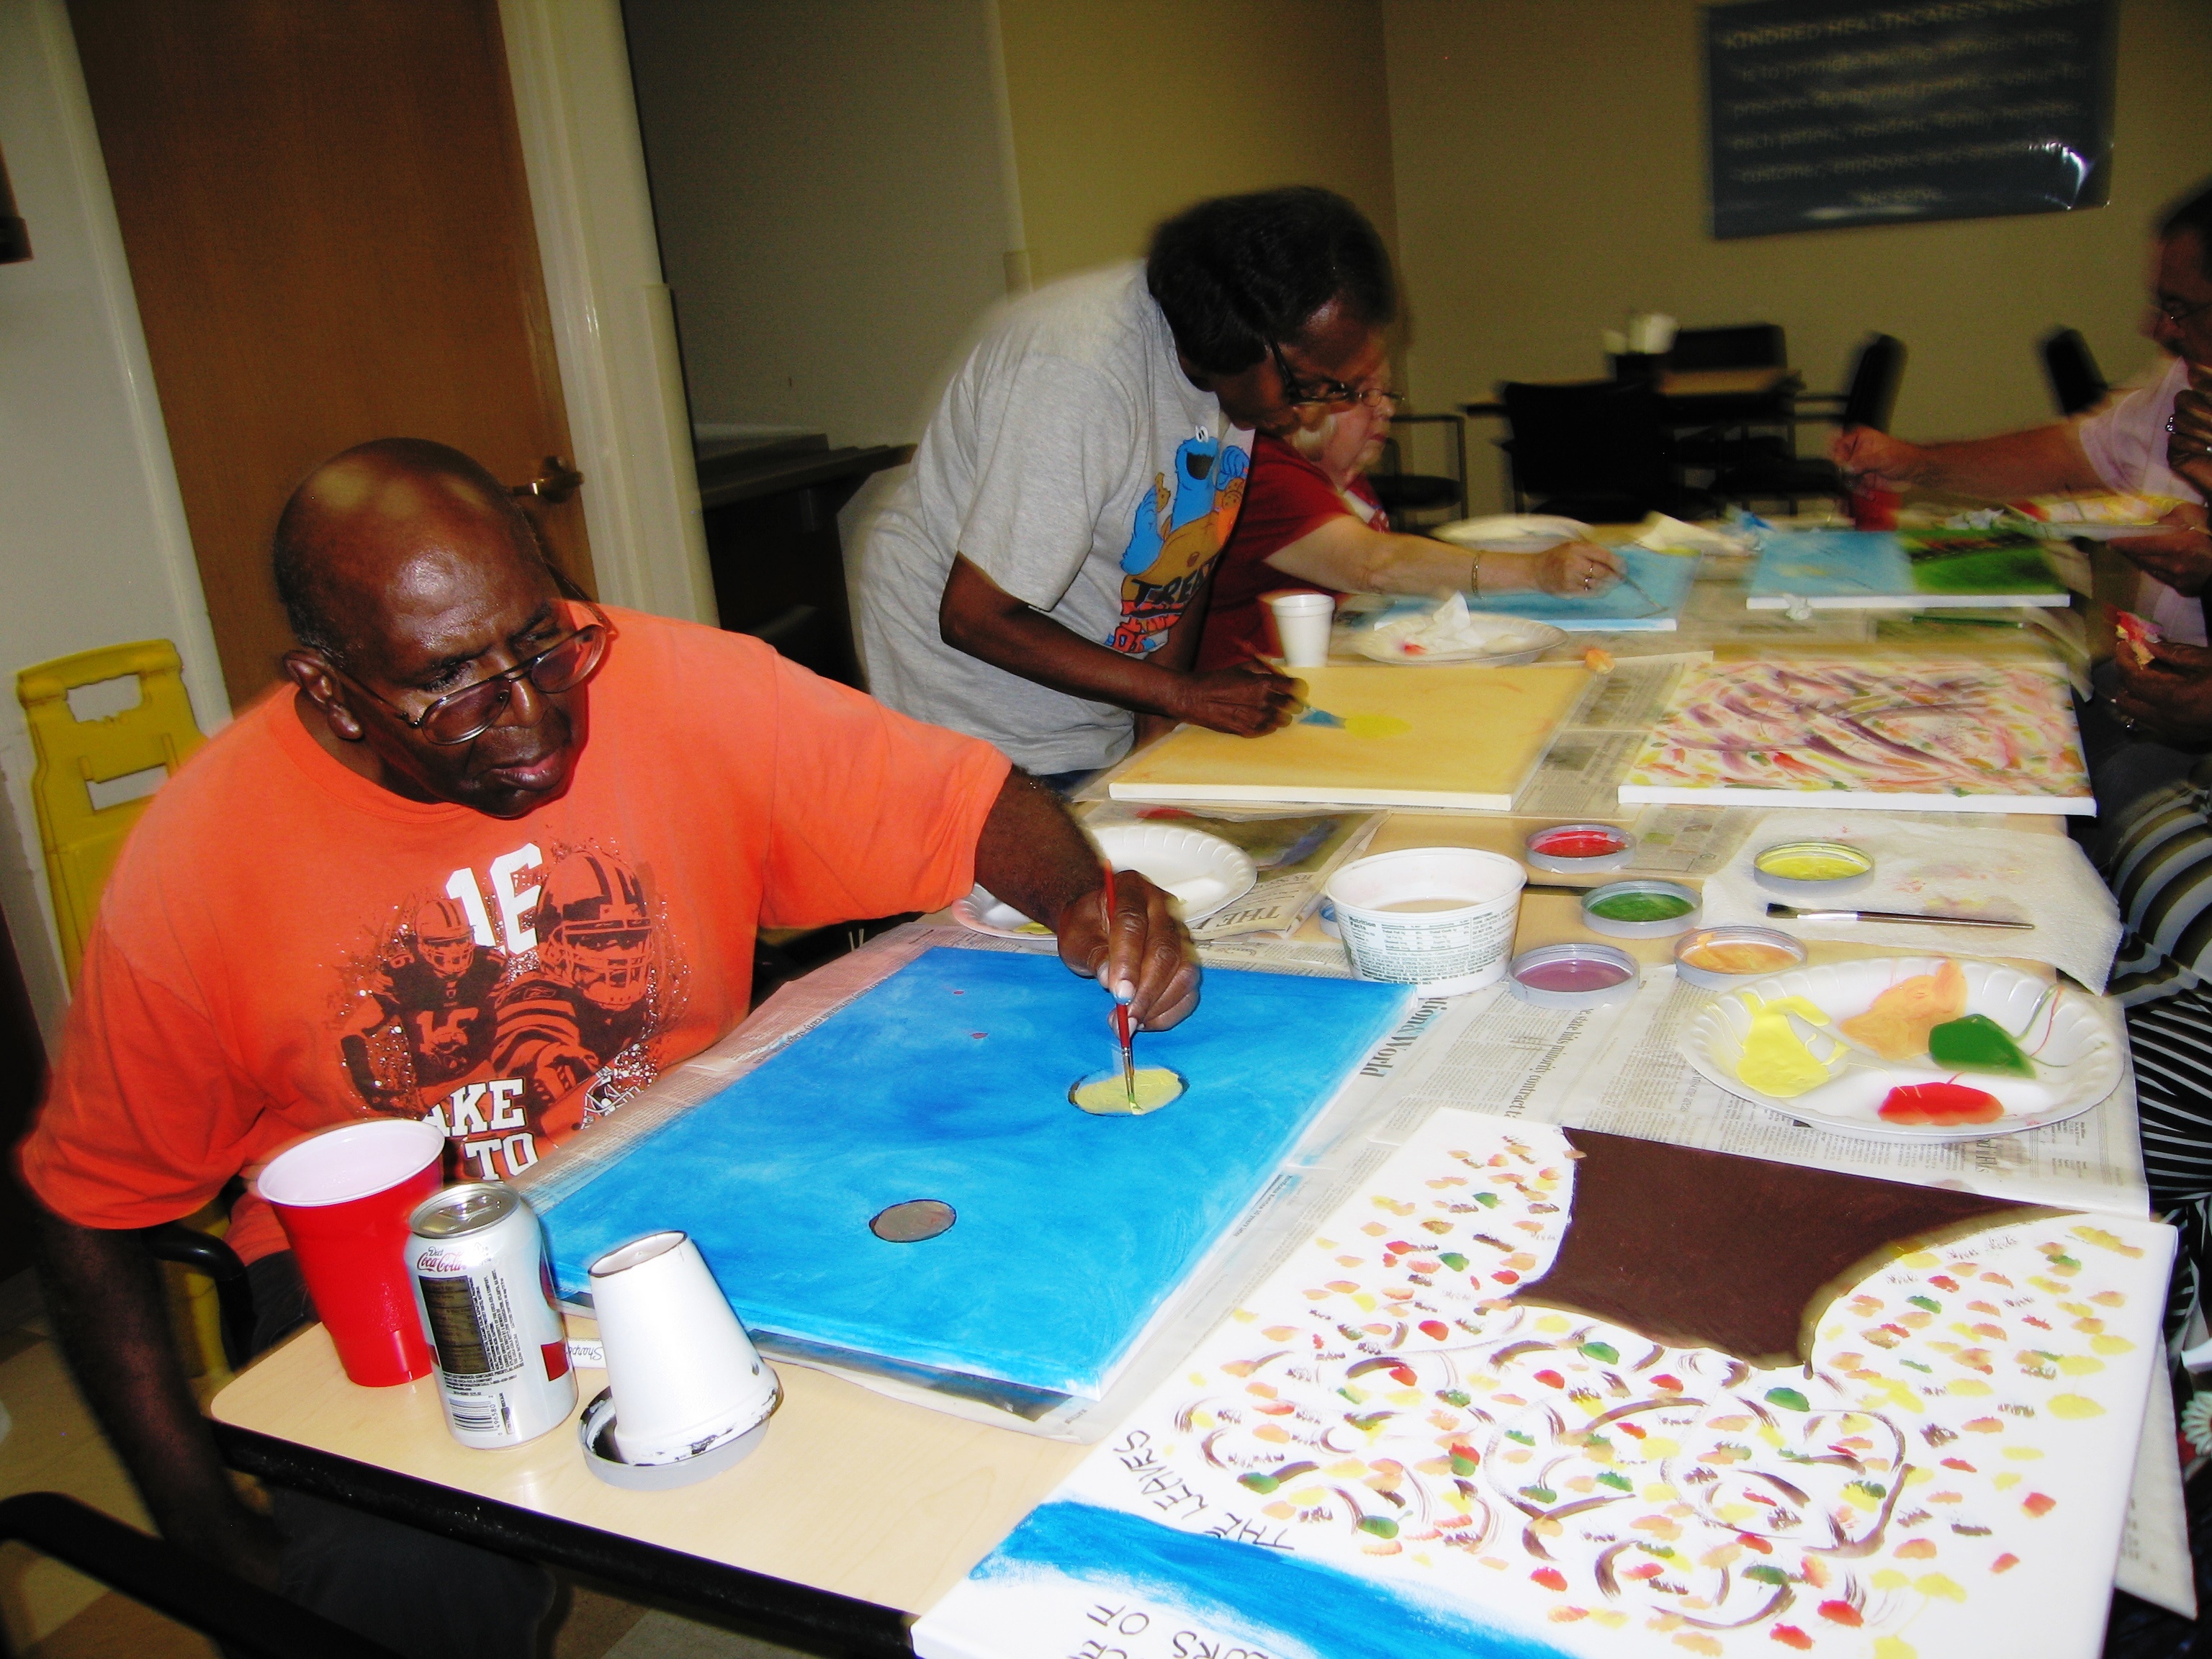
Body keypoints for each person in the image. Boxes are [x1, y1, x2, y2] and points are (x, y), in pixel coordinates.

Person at [17, 439, 1199, 1658]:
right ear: (330, 691)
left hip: (685, 1164)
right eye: (453, 683)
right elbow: (84, 1209)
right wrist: (202, 1525)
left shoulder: (676, 682)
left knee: (990, 1330)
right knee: (407, 1570)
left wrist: (1082, 898)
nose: (535, 716)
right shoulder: (201, 859)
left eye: (542, 642)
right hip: (385, 1267)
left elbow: (964, 801)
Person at [859, 186, 1398, 786]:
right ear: (1239, 333)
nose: (1311, 413)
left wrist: (1157, 733)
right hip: (974, 700)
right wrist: (1183, 695)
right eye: (1308, 386)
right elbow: (974, 618)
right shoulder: (1079, 373)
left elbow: (1188, 560)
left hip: (1091, 675)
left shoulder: (1233, 379)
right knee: (1046, 841)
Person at [1833, 177, 2212, 651]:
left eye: (2178, 308)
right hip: (2155, 666)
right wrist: (1915, 462)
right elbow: (2070, 455)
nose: (2158, 329)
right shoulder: (2180, 381)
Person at [1195, 385, 1624, 670]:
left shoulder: (1346, 481)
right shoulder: (1265, 473)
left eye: (1387, 393)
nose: (1386, 408)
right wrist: (1537, 570)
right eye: (1362, 393)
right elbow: (1375, 566)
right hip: (1243, 689)